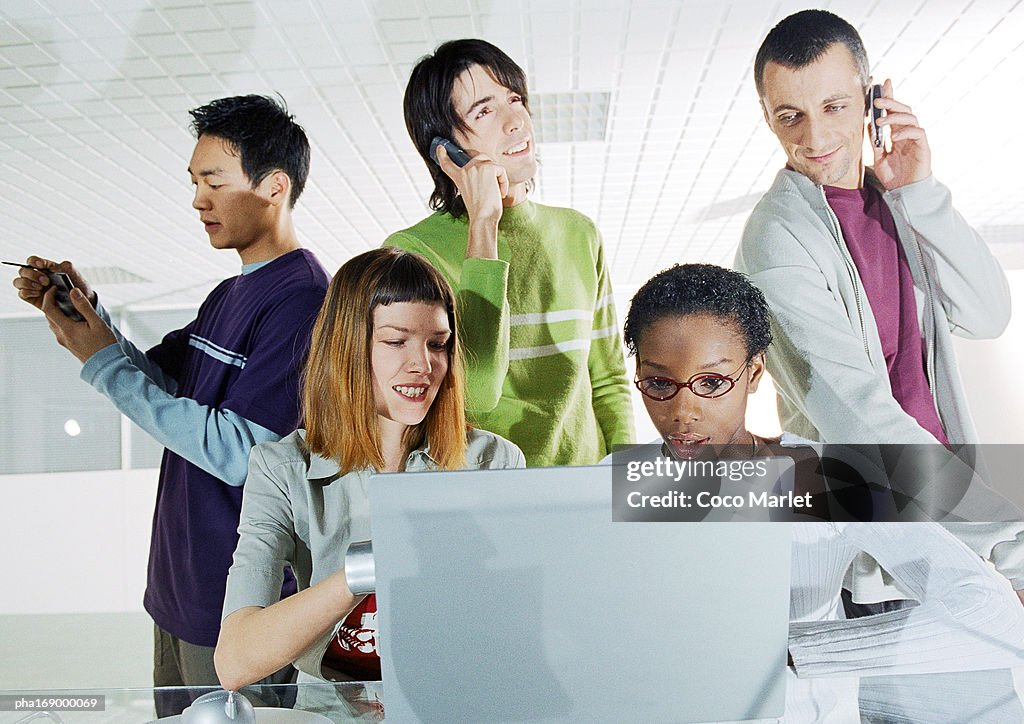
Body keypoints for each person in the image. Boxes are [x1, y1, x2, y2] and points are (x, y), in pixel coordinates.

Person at [12, 95, 330, 711]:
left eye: (214, 180)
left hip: (241, 613)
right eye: (194, 182)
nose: (197, 200)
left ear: (274, 186)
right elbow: (161, 379)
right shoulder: (230, 292)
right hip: (180, 593)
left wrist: (99, 360)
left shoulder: (303, 301)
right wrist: (86, 315)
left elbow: (243, 452)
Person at [733, 7, 1022, 613]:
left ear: (872, 102)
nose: (814, 138)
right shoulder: (776, 240)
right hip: (886, 555)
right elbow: (860, 423)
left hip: (957, 528)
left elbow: (988, 312)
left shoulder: (897, 198)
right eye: (790, 116)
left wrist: (922, 192)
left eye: (834, 107)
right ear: (767, 119)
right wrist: (1004, 543)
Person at [619, 262, 1024, 676]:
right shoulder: (606, 485)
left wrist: (793, 652)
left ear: (753, 373)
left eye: (712, 383)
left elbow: (993, 614)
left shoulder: (828, 475)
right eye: (659, 384)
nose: (684, 412)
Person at [215, 248, 525, 693]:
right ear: (347, 347)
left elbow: (512, 625)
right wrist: (368, 568)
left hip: (458, 697)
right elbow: (235, 662)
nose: (423, 364)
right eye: (397, 341)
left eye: (437, 344)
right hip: (330, 710)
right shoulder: (281, 469)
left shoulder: (494, 462)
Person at [385, 38, 633, 467]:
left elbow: (609, 378)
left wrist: (630, 481)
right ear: (444, 150)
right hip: (489, 494)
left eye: (515, 99)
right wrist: (484, 223)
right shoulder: (410, 253)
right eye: (485, 111)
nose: (516, 119)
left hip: (585, 485)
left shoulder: (579, 233)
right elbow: (478, 391)